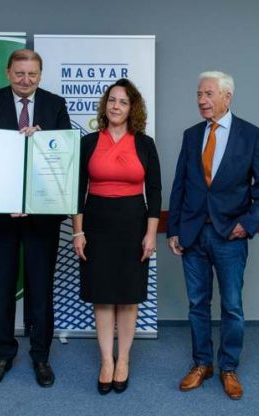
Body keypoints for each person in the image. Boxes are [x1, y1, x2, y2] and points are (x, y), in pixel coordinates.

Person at [167, 71, 259, 400]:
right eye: (199, 94)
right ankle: (202, 364)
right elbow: (180, 185)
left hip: (230, 236)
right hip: (193, 235)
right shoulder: (191, 136)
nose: (201, 100)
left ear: (228, 97)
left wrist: (248, 223)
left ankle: (228, 367)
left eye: (208, 94)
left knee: (232, 306)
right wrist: (173, 229)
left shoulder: (251, 135)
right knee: (197, 304)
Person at [0, 49, 71, 388]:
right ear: (8, 72)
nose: (25, 80)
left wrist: (44, 141)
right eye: (19, 73)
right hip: (1, 214)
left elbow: (64, 157)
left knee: (41, 288)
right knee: (1, 286)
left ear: (40, 75)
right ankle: (3, 354)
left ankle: (41, 356)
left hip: (41, 215)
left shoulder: (55, 105)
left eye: (32, 74)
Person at [72, 78, 162, 395]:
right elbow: (76, 191)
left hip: (133, 224)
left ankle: (123, 359)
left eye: (123, 101)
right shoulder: (88, 142)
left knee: (127, 295)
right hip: (96, 223)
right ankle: (106, 361)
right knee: (102, 294)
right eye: (112, 100)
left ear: (132, 107)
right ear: (105, 104)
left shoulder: (145, 144)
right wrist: (78, 231)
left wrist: (151, 234)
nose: (116, 106)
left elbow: (155, 192)